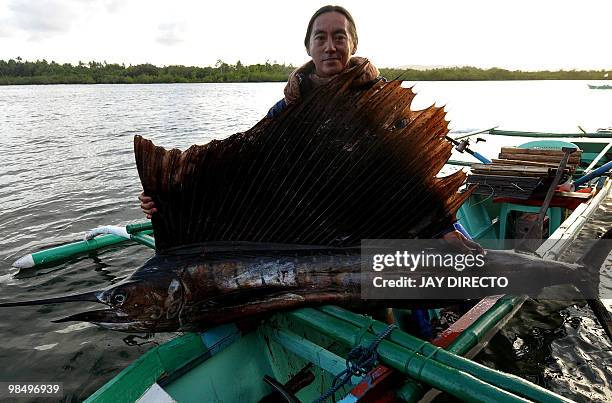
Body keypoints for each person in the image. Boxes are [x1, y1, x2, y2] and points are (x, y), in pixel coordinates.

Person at [140, 5, 482, 254]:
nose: (330, 45)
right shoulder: (285, 112)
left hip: (381, 227)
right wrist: (170, 197)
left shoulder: (380, 107)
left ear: (352, 45)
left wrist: (444, 228)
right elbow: (247, 175)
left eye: (339, 37)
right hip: (320, 237)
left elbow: (410, 173)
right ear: (309, 47)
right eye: (321, 37)